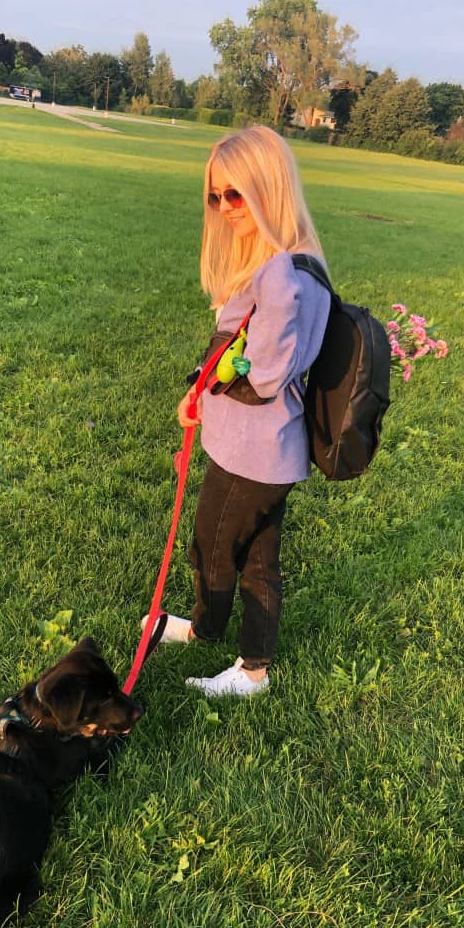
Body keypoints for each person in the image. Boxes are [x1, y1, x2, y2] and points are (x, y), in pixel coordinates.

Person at [144, 125, 331, 697]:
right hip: (257, 447)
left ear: (269, 187)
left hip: (257, 452)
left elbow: (267, 372)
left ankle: (222, 643)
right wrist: (197, 391)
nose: (224, 208)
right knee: (256, 558)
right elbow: (232, 353)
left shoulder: (287, 271)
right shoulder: (280, 265)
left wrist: (271, 278)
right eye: (215, 195)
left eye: (236, 194)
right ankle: (249, 665)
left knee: (215, 546)